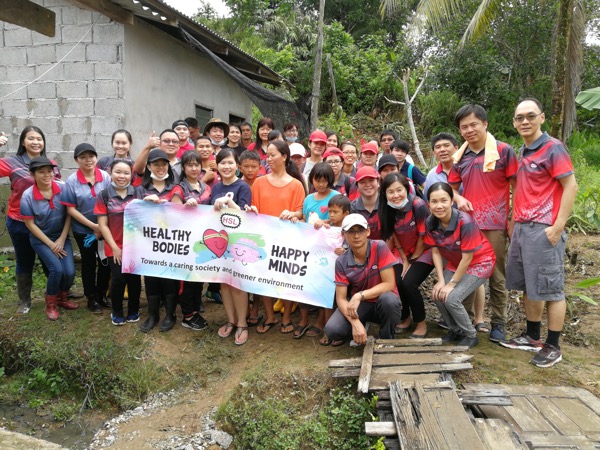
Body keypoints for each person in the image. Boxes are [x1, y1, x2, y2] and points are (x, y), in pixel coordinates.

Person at [500, 98, 578, 368]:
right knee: (528, 285)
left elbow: (570, 186)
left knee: (551, 288)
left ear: (541, 118)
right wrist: (514, 221)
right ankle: (532, 336)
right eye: (519, 117)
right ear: (514, 122)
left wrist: (558, 226)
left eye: (530, 116)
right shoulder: (524, 150)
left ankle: (553, 345)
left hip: (544, 229)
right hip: (523, 227)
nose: (525, 121)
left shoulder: (552, 148)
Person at [449, 104, 518, 342]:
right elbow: (451, 189)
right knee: (467, 272)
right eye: (464, 127)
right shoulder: (460, 157)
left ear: (485, 124)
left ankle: (498, 323)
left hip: (495, 225)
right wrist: (458, 198)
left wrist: (513, 220)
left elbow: (517, 186)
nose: (469, 130)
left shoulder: (504, 151)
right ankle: (465, 322)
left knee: (497, 275)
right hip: (469, 227)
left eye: (473, 125)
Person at [424, 182, 496, 349]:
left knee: (452, 299)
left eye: (444, 200)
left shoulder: (465, 221)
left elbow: (467, 257)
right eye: (434, 201)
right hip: (455, 262)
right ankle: (455, 330)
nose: (439, 206)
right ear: (429, 204)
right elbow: (435, 251)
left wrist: (451, 284)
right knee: (438, 294)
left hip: (480, 262)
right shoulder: (430, 222)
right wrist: (441, 280)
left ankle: (470, 335)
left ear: (452, 201)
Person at [0, 126, 61, 315]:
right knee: (24, 260)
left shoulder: (51, 163)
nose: (36, 142)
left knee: (49, 260)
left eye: (39, 139)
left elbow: (57, 190)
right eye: (31, 138)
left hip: (45, 222)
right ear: (23, 142)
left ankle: (57, 294)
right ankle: (24, 301)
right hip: (19, 221)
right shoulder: (12, 162)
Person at [248, 140, 306, 334]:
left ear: (284, 156)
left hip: (286, 241)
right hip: (263, 238)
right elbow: (254, 208)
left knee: (286, 278)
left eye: (272, 155)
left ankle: (286, 318)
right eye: (267, 155)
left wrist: (292, 214)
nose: (269, 159)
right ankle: (270, 317)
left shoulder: (296, 185)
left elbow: (300, 212)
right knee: (264, 278)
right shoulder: (259, 182)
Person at [323, 214, 402, 346]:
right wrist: (355, 323)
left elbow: (389, 284)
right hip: (361, 305)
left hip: (381, 301)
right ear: (343, 234)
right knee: (333, 330)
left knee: (389, 300)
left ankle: (387, 338)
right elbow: (341, 299)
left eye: (360, 230)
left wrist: (359, 295)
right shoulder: (341, 261)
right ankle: (360, 329)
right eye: (351, 231)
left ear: (368, 231)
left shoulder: (379, 247)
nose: (356, 236)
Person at [21, 157, 77, 320]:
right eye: (41, 172)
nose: (47, 175)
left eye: (49, 171)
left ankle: (62, 299)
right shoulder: (27, 196)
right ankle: (50, 305)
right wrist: (51, 244)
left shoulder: (63, 188)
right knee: (56, 270)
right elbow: (30, 225)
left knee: (70, 272)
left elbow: (69, 214)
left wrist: (62, 238)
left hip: (61, 237)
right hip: (41, 240)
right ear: (33, 174)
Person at [379, 173, 433, 338]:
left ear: (407, 189)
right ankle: (405, 317)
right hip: (404, 252)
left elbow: (424, 237)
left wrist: (412, 260)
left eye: (399, 190)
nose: (395, 195)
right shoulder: (388, 208)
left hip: (425, 251)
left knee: (409, 283)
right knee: (396, 280)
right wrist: (403, 258)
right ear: (385, 194)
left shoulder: (418, 205)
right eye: (390, 192)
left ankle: (421, 323)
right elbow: (393, 234)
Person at [135, 149, 183, 332]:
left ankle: (170, 315)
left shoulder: (175, 188)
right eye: (156, 164)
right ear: (149, 167)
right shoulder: (141, 190)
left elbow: (180, 214)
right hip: (149, 244)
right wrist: (144, 204)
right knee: (151, 280)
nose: (161, 168)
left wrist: (168, 207)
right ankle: (153, 315)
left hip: (170, 244)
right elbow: (133, 215)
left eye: (164, 164)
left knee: (169, 280)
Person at [62, 143, 111, 313]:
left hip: (104, 229)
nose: (88, 160)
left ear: (96, 158)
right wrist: (94, 226)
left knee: (105, 262)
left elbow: (111, 201)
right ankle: (91, 298)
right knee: (89, 263)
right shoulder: (71, 181)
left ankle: (102, 294)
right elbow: (71, 210)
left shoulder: (105, 176)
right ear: (77, 160)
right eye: (83, 157)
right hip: (83, 231)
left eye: (91, 156)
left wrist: (102, 227)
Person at [293, 163, 340, 339]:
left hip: (328, 252)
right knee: (304, 284)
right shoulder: (308, 199)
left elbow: (341, 218)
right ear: (311, 179)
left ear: (330, 180)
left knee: (323, 286)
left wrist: (325, 222)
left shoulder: (336, 197)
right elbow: (305, 220)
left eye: (324, 181)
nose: (320, 184)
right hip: (309, 249)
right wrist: (296, 220)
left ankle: (321, 321)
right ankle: (303, 319)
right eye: (317, 180)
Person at [211, 148, 253, 345]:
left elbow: (245, 215)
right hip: (219, 242)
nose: (226, 166)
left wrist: (229, 201)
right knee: (224, 283)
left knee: (237, 283)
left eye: (230, 163)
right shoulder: (215, 187)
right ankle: (230, 320)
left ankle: (242, 323)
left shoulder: (243, 187)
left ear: (237, 165)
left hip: (238, 242)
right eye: (222, 163)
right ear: (217, 166)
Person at [95, 159, 142, 326]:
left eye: (126, 173)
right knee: (118, 279)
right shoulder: (104, 195)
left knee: (134, 279)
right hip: (114, 245)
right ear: (111, 173)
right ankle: (117, 311)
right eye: (118, 172)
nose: (122, 176)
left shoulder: (138, 193)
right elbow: (102, 224)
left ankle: (134, 310)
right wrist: (114, 247)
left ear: (131, 175)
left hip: (135, 246)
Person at [178, 151, 211, 330]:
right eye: (189, 165)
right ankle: (187, 315)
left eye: (196, 165)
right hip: (185, 241)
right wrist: (185, 207)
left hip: (202, 241)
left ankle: (195, 310)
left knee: (199, 277)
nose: (193, 168)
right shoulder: (179, 189)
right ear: (183, 168)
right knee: (187, 279)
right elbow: (173, 213)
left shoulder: (206, 188)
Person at [424, 132, 460, 196]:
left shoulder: (466, 170)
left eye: (446, 145)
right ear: (434, 152)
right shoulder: (432, 175)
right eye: (438, 147)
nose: (442, 150)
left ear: (456, 148)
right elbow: (428, 199)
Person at [350, 166, 381, 240]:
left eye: (371, 180)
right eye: (362, 182)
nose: (367, 185)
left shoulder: (387, 203)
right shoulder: (352, 207)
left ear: (378, 182)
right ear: (357, 186)